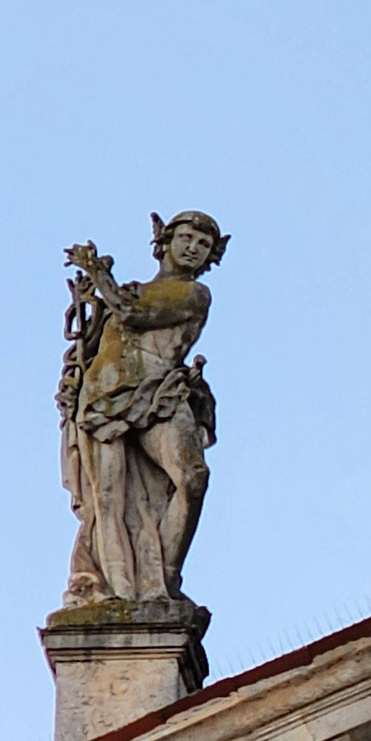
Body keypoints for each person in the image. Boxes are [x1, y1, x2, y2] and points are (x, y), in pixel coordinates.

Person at [57, 211, 226, 607]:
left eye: (202, 245)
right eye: (185, 237)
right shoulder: (128, 289)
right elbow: (92, 343)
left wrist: (97, 272)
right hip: (104, 394)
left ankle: (163, 580)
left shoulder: (192, 295)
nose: (192, 248)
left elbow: (136, 314)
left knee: (192, 477)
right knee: (109, 500)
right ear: (164, 242)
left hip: (158, 391)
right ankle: (120, 592)